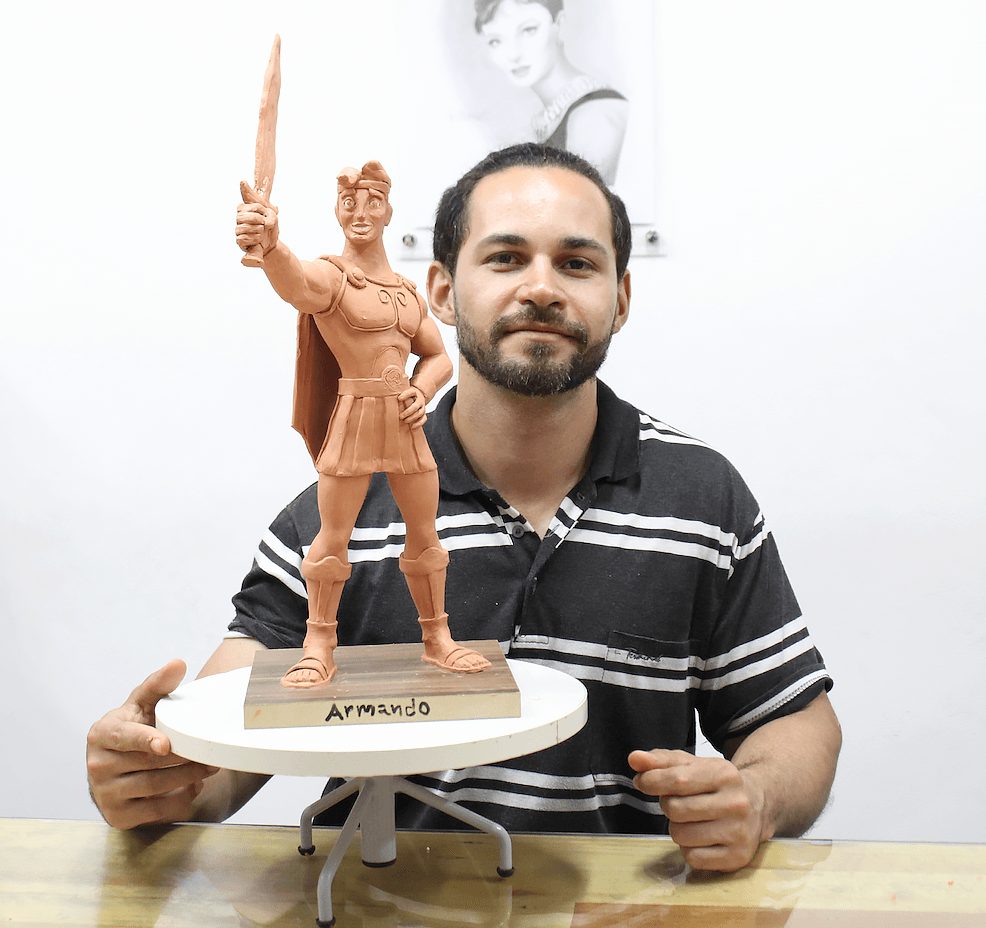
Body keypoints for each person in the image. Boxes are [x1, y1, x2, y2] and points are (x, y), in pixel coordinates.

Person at [87, 143, 841, 873]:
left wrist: (756, 799)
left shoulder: (703, 498)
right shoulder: (325, 517)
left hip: (619, 907)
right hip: (377, 902)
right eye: (506, 258)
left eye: (577, 263)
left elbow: (795, 723)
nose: (541, 288)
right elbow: (218, 744)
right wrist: (157, 773)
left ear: (621, 299)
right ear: (443, 292)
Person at [235, 159, 488, 687]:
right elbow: (297, 283)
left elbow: (438, 356)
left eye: (373, 203)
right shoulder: (333, 276)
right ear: (337, 210)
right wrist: (273, 245)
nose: (361, 213)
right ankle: (318, 644)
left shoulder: (406, 292)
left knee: (425, 533)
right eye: (350, 203)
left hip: (403, 421)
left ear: (388, 211)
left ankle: (438, 638)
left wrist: (422, 390)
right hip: (354, 417)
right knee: (332, 536)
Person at [474, 0, 629, 184]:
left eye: (528, 30)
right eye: (495, 41)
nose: (513, 54)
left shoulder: (593, 117)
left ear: (560, 25)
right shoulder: (549, 117)